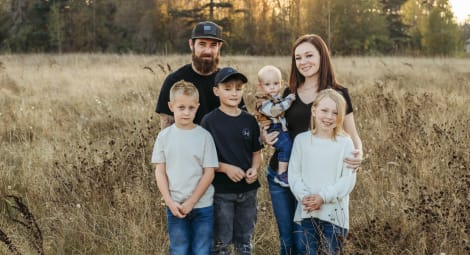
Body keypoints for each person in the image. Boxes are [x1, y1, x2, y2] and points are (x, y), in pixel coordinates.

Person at [263, 34, 363, 255]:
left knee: (313, 242)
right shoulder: (289, 93)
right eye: (298, 57)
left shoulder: (338, 94)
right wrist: (264, 137)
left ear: (322, 56)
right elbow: (273, 123)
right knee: (289, 240)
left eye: (309, 55)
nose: (303, 62)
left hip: (318, 177)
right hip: (284, 175)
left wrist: (359, 155)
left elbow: (352, 134)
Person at [200, 67, 263, 255]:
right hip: (221, 192)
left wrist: (254, 169)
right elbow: (204, 159)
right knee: (222, 242)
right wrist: (225, 168)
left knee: (245, 241)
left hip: (248, 192)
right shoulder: (209, 121)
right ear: (216, 91)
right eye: (227, 88)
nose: (234, 92)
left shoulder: (249, 121)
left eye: (238, 88)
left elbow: (257, 153)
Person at [152, 81, 219, 255]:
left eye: (191, 108)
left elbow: (209, 173)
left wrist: (191, 202)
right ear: (171, 106)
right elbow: (160, 171)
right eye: (181, 107)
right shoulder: (164, 137)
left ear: (197, 107)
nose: (186, 112)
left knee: (202, 250)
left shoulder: (204, 137)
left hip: (202, 206)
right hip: (175, 205)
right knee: (179, 249)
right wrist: (169, 201)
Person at [289, 89, 357, 255]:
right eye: (324, 110)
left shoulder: (345, 143)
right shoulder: (301, 141)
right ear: (314, 110)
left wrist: (323, 197)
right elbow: (294, 175)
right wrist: (304, 197)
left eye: (335, 113)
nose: (329, 117)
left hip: (334, 218)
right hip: (306, 213)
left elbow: (347, 180)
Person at [155, 20, 244, 129]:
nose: (207, 50)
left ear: (219, 46)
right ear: (191, 44)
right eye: (202, 44)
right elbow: (167, 129)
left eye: (213, 45)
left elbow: (242, 123)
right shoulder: (174, 81)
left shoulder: (228, 81)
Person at [254, 65, 295, 187]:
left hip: (279, 128)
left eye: (276, 83)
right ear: (260, 86)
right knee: (286, 146)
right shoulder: (262, 101)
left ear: (281, 83)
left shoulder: (277, 97)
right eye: (267, 84)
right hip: (272, 128)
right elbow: (274, 111)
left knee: (288, 144)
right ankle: (281, 173)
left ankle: (284, 171)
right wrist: (289, 100)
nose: (272, 87)